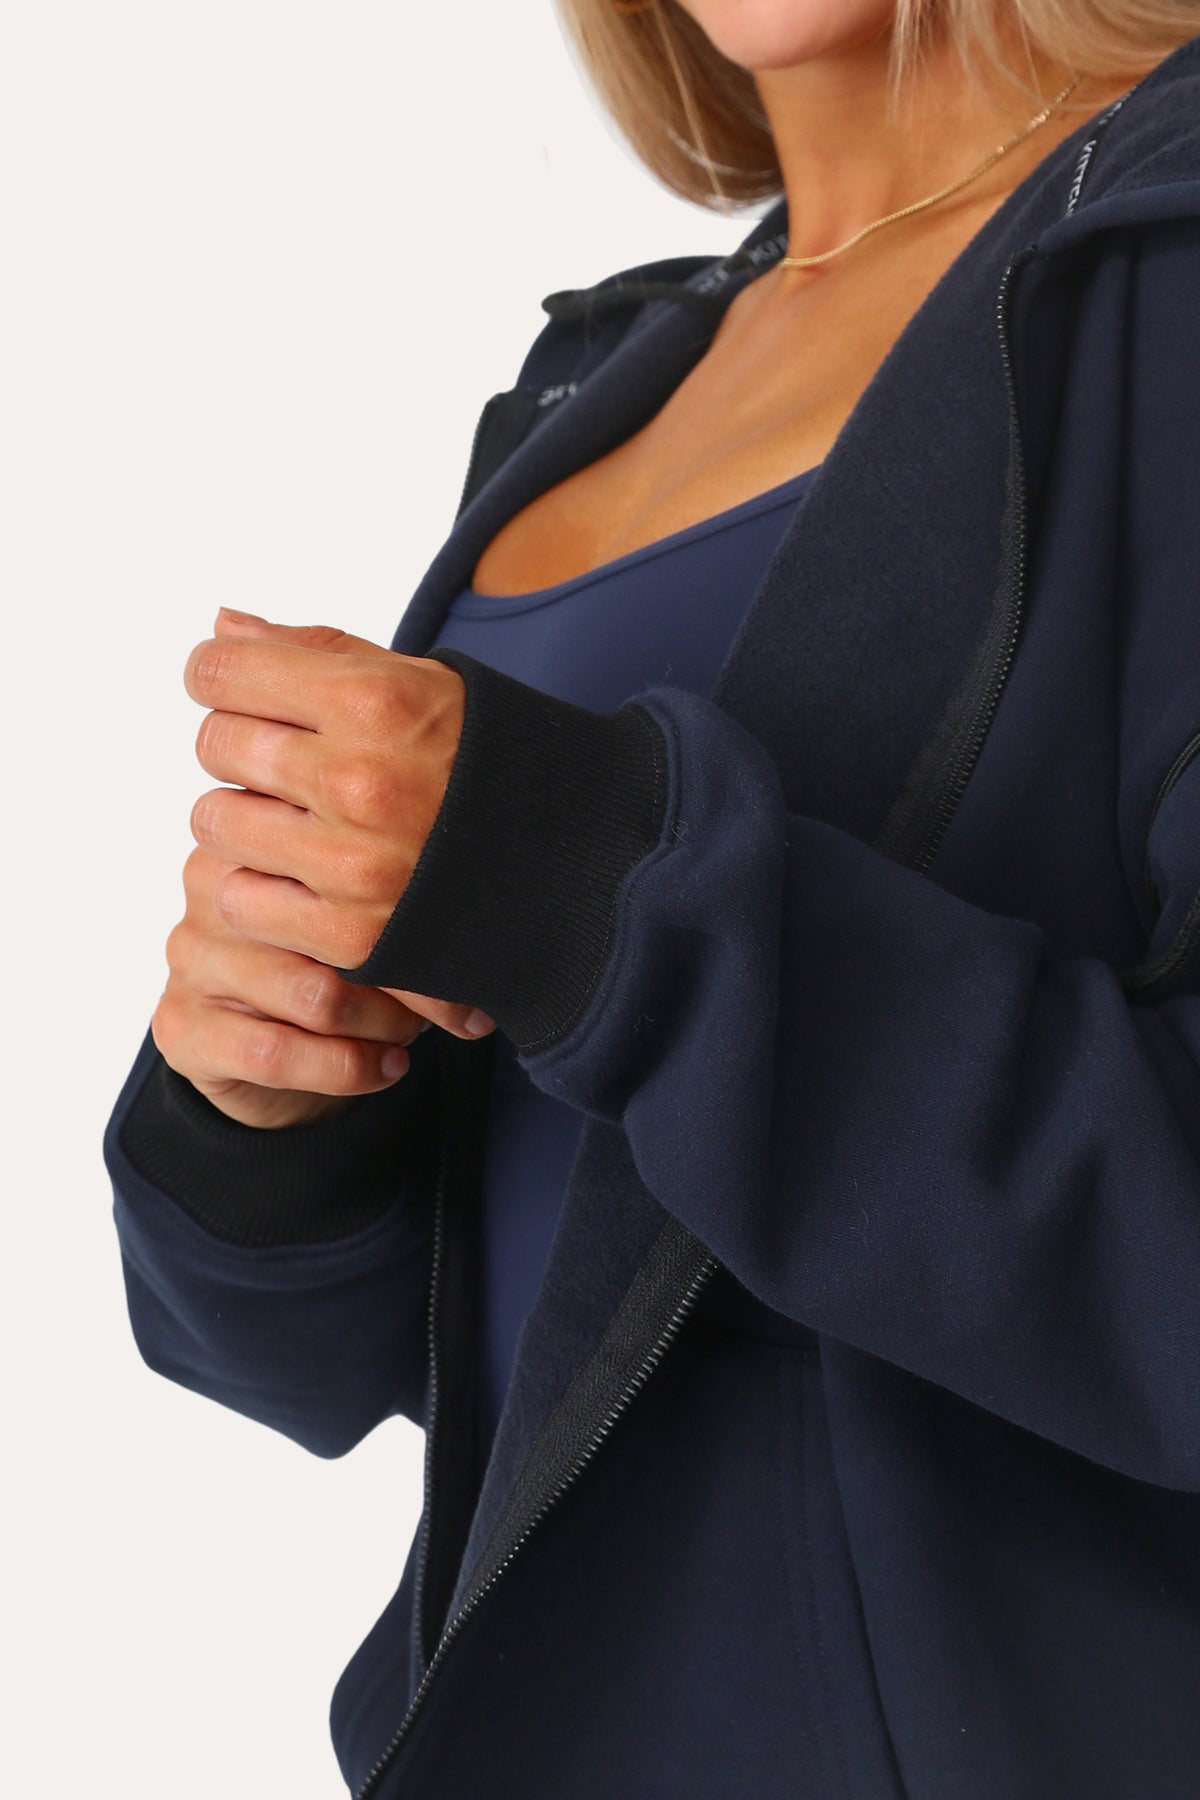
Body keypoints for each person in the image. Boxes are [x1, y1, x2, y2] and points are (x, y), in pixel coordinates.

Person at [102, 2, 1200, 1795]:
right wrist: (271, 1109)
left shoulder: (1160, 269)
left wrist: (581, 882)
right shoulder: (604, 375)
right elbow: (497, 1329)